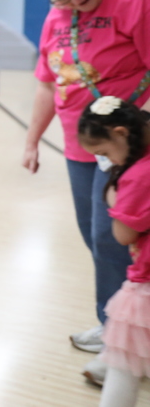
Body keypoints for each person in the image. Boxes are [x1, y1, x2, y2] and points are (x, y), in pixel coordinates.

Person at [23, 0, 150, 385]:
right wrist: (32, 139)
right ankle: (114, 322)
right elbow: (45, 83)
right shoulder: (57, 15)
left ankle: (124, 344)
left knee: (114, 236)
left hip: (127, 146)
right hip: (83, 148)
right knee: (95, 239)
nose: (74, 5)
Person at [75, 96, 150, 406]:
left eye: (104, 153)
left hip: (144, 283)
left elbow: (122, 235)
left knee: (122, 364)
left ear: (121, 133)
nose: (109, 162)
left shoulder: (137, 175)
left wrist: (116, 200)